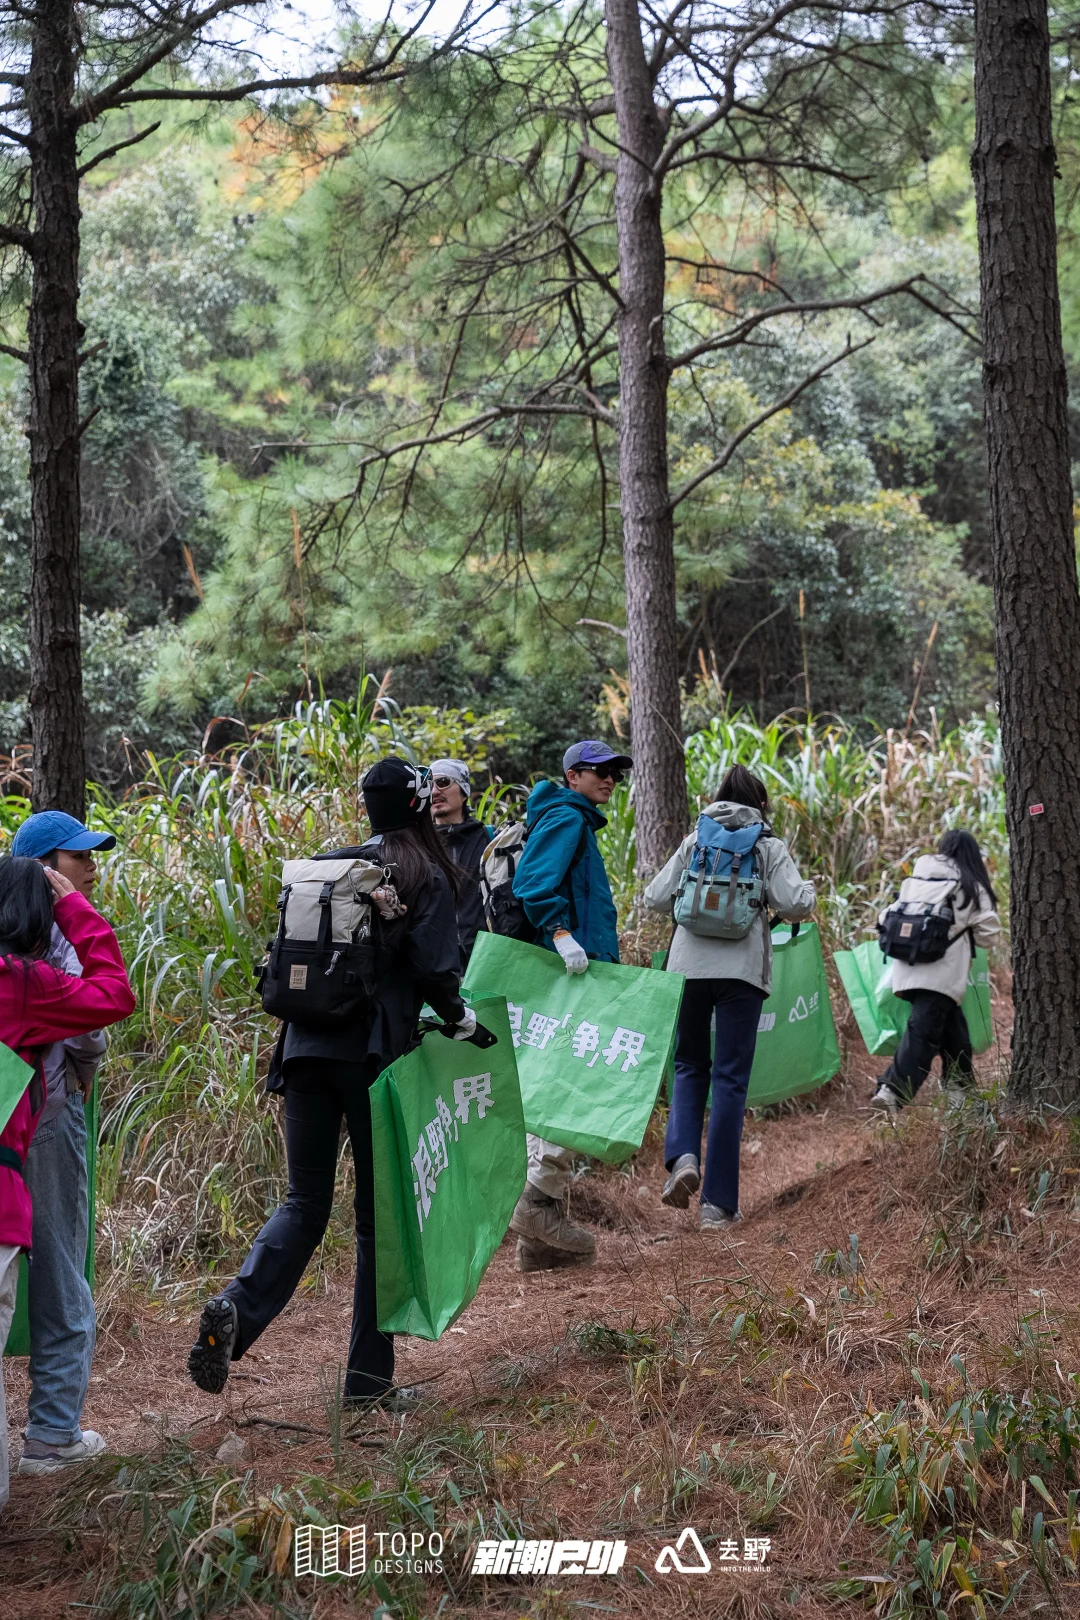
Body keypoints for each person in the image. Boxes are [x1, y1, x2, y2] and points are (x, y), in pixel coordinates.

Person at [187, 758, 475, 1409]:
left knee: (304, 1202)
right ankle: (367, 1385)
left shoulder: (332, 867)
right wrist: (461, 1018)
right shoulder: (422, 872)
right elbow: (434, 969)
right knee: (378, 1221)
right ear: (418, 805)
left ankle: (236, 1310)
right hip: (370, 1059)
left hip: (303, 1048)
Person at [0, 856, 135, 1515]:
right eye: (78, 861)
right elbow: (113, 996)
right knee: (60, 1273)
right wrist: (77, 914)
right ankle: (53, 1435)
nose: (90, 871)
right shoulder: (23, 983)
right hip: (16, 1169)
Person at [644, 765, 816, 1228]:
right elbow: (794, 904)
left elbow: (654, 898)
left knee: (688, 1064)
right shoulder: (767, 846)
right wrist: (809, 892)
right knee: (730, 1079)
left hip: (687, 970)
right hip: (741, 975)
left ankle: (683, 1157)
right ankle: (717, 1206)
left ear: (718, 799)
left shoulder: (696, 840)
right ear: (760, 804)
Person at [507, 739, 631, 1272]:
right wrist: (559, 932)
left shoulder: (573, 818)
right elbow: (533, 882)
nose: (609, 780)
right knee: (571, 1085)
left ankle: (539, 1243)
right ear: (572, 775)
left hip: (577, 969)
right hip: (570, 972)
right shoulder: (566, 817)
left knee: (557, 1082)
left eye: (615, 773)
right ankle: (536, 1202)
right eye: (598, 771)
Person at [870, 830, 1000, 1113]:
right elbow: (989, 935)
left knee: (956, 1032)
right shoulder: (969, 886)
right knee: (922, 1034)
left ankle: (960, 1096)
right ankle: (891, 1092)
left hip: (906, 967)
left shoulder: (916, 880)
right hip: (941, 974)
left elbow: (885, 917)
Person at [429, 758, 492, 970]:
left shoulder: (490, 841)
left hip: (483, 962)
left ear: (464, 791)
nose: (435, 791)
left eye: (443, 782)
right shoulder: (419, 845)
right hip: (435, 967)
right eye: (429, 786)